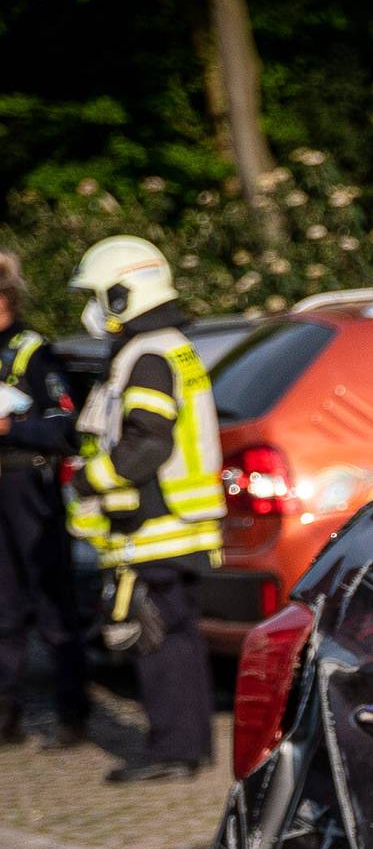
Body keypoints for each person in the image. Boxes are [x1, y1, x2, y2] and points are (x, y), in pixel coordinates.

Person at [62, 235, 223, 782]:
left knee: (157, 640)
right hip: (172, 524)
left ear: (123, 294)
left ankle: (172, 753)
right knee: (177, 638)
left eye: (98, 295)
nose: (91, 309)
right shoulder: (163, 346)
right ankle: (186, 748)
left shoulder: (148, 354)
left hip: (156, 525)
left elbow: (149, 442)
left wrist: (89, 479)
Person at [0, 252, 90, 748]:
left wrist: (13, 428)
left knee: (53, 604)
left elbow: (65, 426)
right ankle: (6, 716)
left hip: (28, 485)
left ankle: (72, 714)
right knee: (3, 610)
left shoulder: (34, 352)